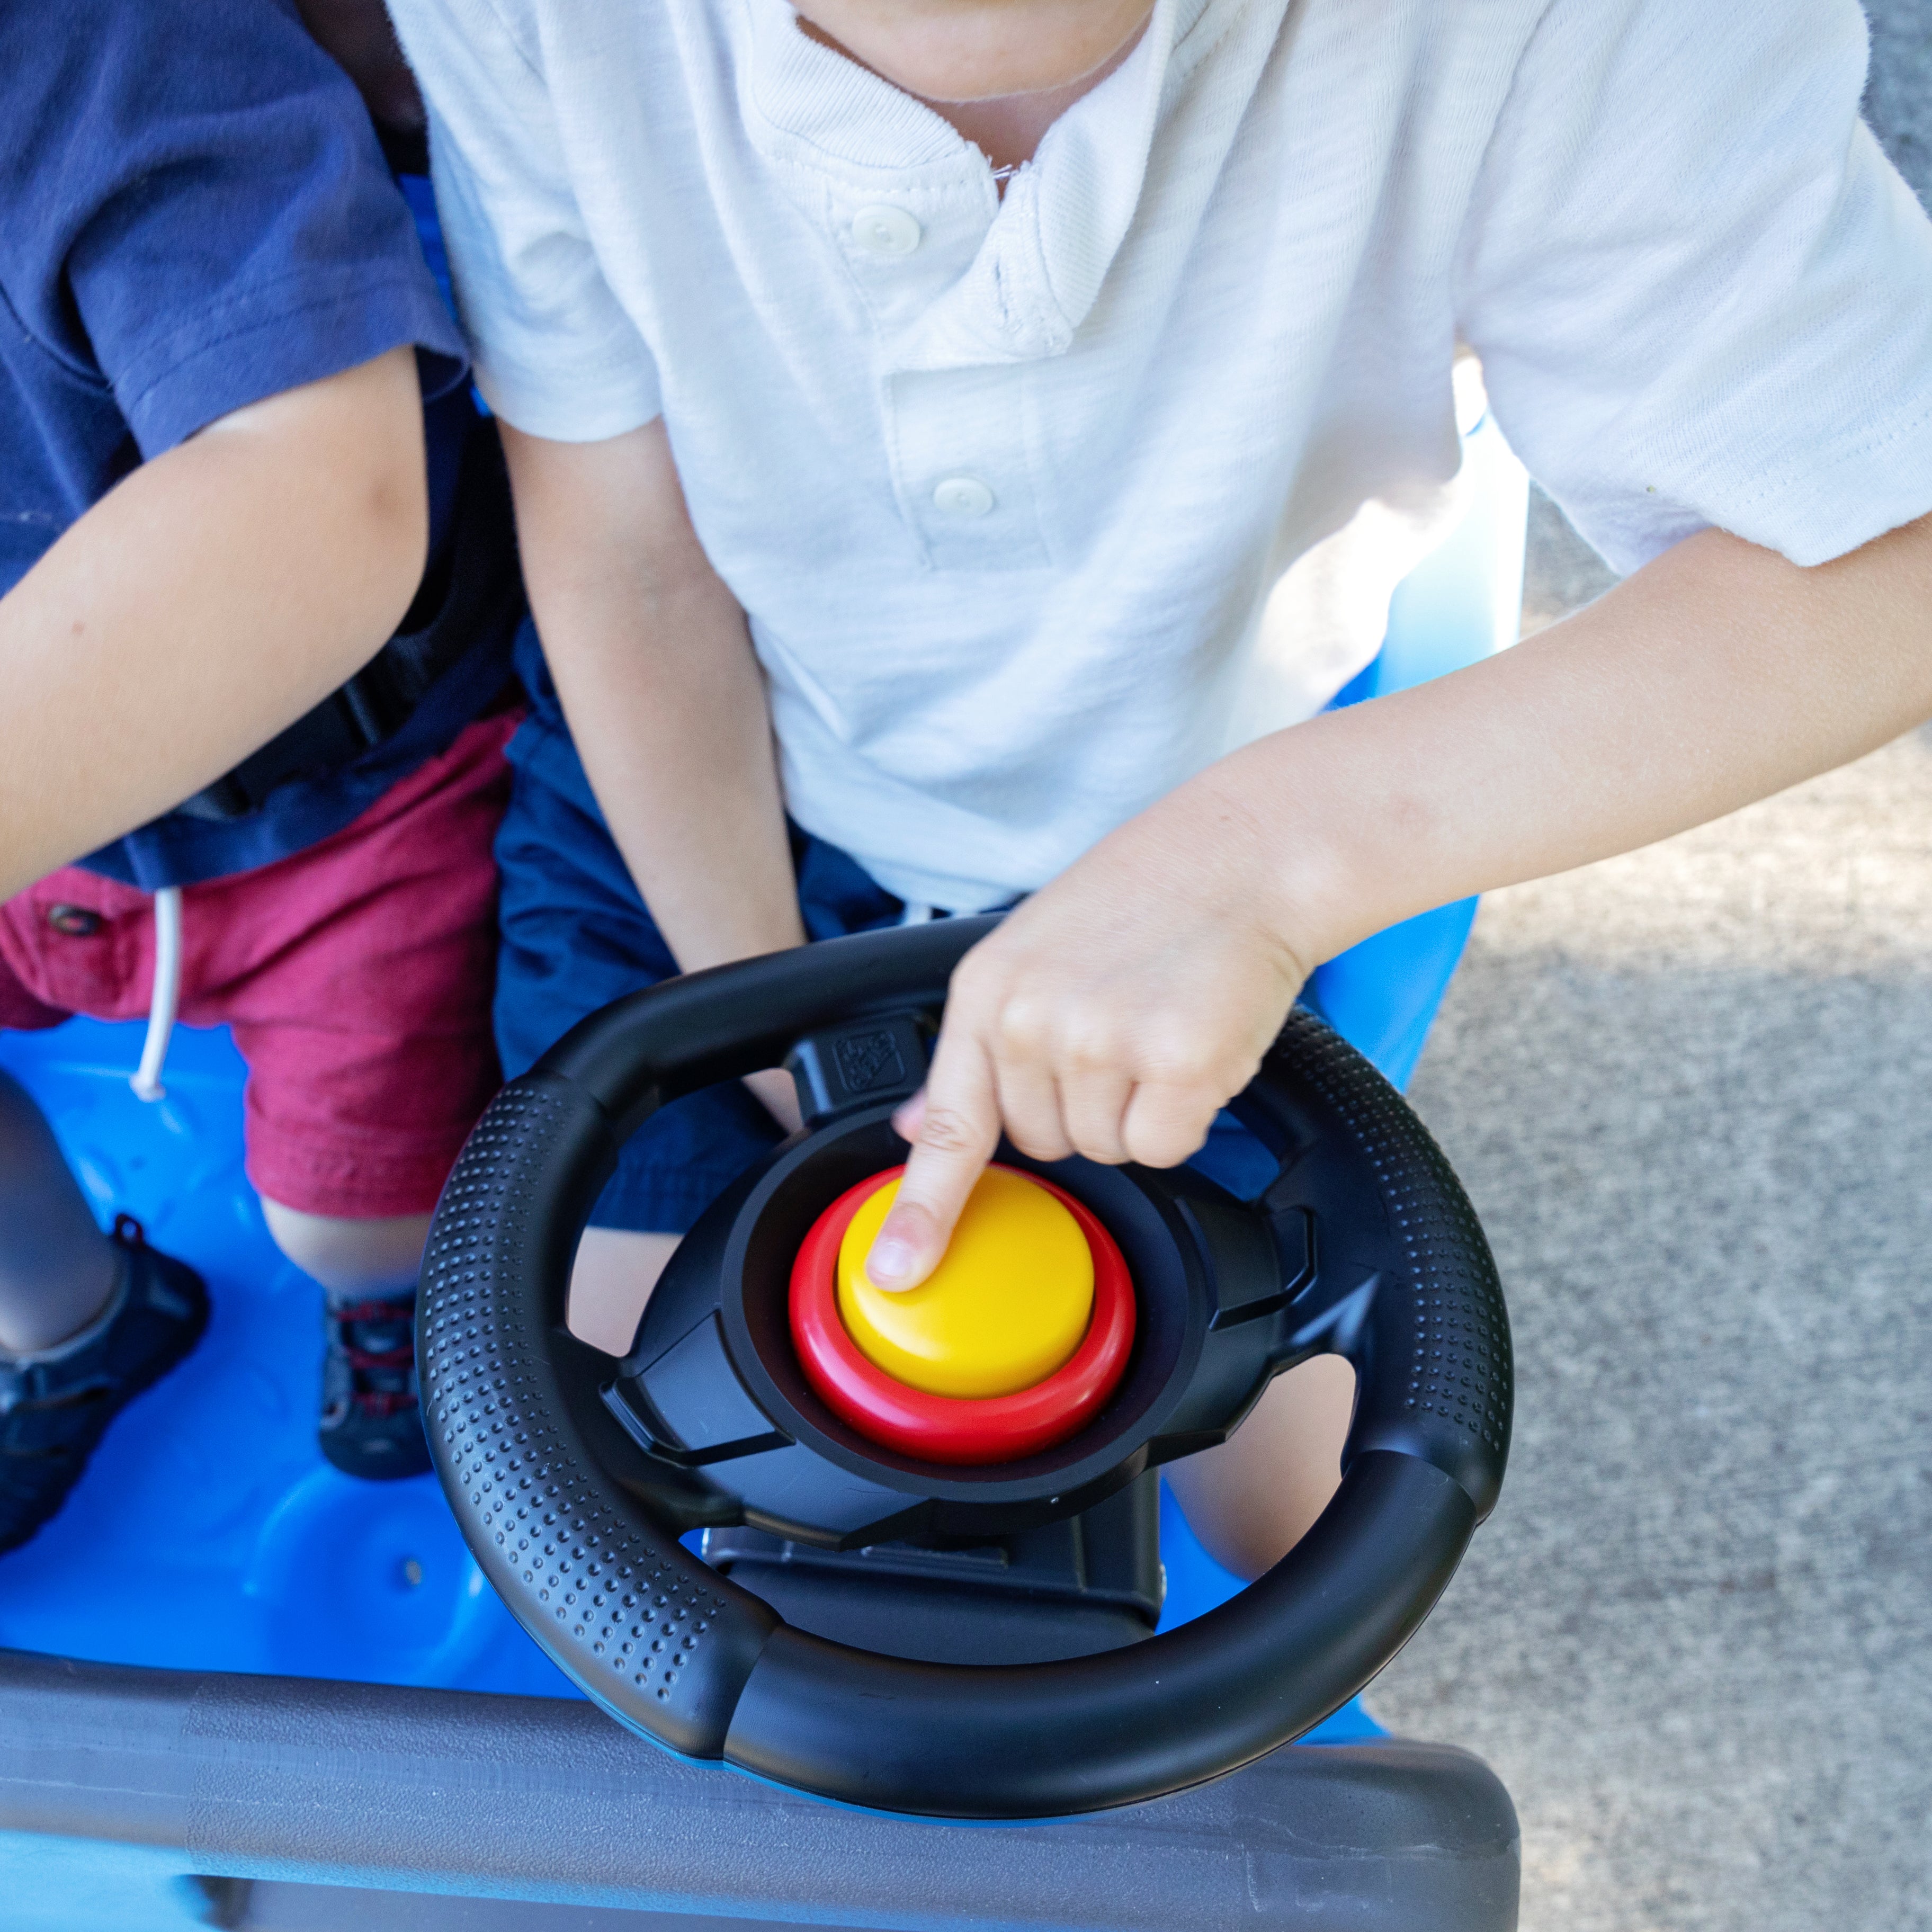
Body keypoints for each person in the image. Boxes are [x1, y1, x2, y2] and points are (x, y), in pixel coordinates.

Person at [387, 0, 1932, 1576]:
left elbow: (1889, 550)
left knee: (1299, 1533)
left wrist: (1256, 869)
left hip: (1215, 807)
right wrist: (774, 1024)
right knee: (606, 1451)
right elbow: (630, 557)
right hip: (704, 806)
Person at [0, 0, 526, 1553]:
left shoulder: (106, 46)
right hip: (51, 850)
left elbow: (308, 488)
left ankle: (388, 1298)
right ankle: (75, 1321)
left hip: (345, 809)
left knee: (351, 1202)